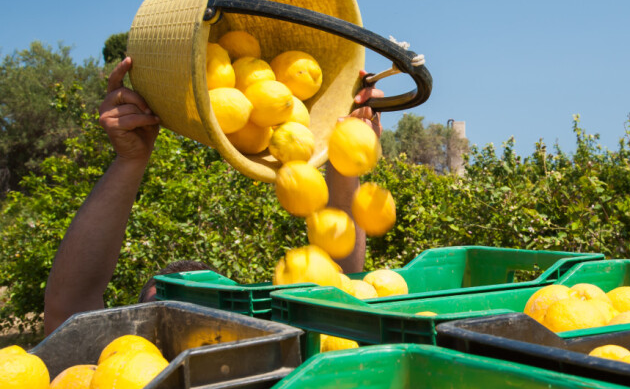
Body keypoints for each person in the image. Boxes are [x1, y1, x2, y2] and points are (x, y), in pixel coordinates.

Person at [43, 57, 383, 335]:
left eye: (210, 311)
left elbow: (340, 285)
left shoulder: (268, 365)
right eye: (164, 314)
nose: (187, 329)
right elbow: (68, 315)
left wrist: (343, 157)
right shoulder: (128, 368)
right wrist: (129, 160)